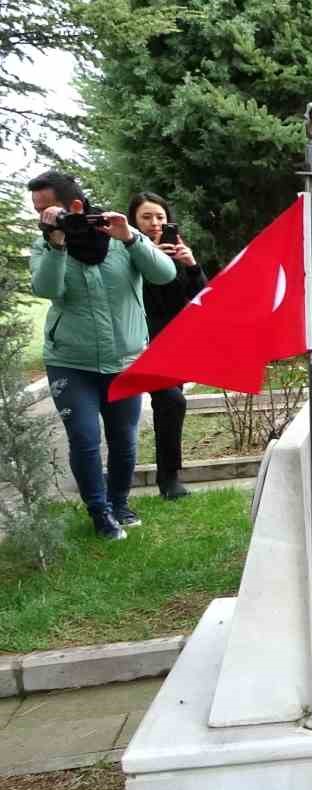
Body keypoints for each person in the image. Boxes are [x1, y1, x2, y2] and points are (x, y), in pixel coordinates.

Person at [28, 170, 177, 540]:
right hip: (70, 360)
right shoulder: (44, 244)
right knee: (84, 436)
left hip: (125, 359)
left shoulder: (119, 235)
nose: (42, 216)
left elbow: (164, 274)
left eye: (47, 208)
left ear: (74, 205)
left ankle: (119, 502)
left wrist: (130, 238)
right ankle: (99, 513)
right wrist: (57, 244)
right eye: (37, 210)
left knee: (124, 437)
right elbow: (47, 288)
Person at [128, 192, 208, 499]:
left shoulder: (177, 250)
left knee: (171, 404)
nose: (154, 223)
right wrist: (151, 261)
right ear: (134, 221)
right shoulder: (125, 250)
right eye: (146, 217)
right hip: (135, 340)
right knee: (145, 406)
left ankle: (169, 478)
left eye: (160, 217)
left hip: (170, 344)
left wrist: (190, 264)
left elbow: (202, 294)